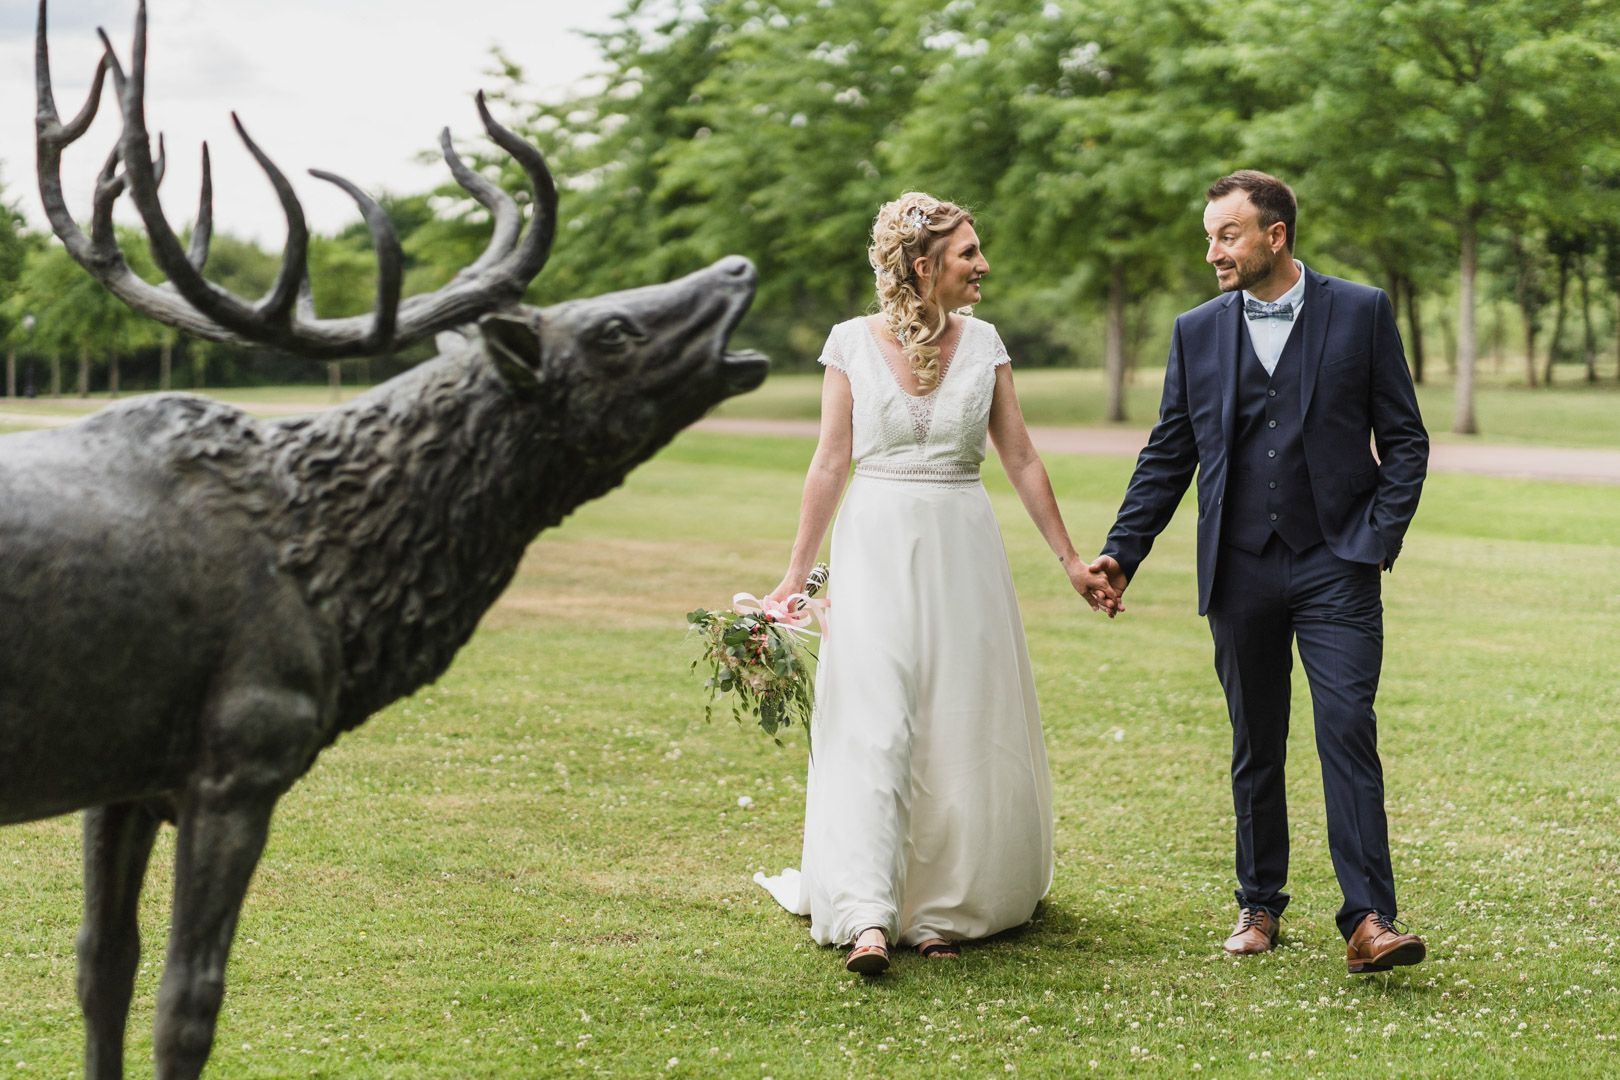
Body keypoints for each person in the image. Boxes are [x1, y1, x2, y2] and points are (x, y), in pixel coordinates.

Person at [754, 192, 1114, 974]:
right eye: (968, 254)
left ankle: (942, 909)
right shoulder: (850, 342)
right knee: (874, 719)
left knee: (956, 720)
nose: (983, 265)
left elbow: (1019, 457)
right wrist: (793, 580)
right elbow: (829, 462)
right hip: (875, 544)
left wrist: (1070, 561)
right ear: (924, 266)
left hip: (963, 545)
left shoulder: (985, 343)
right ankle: (867, 912)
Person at [1089, 171, 1430, 974]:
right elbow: (1168, 453)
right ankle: (1259, 904)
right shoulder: (1196, 331)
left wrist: (1377, 535)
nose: (1213, 251)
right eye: (1211, 235)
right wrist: (1123, 551)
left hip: (1337, 563)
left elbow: (1405, 439)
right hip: (1239, 567)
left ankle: (1370, 918)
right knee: (1256, 740)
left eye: (1227, 234)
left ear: (1275, 235)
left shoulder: (1362, 310)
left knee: (1347, 727)